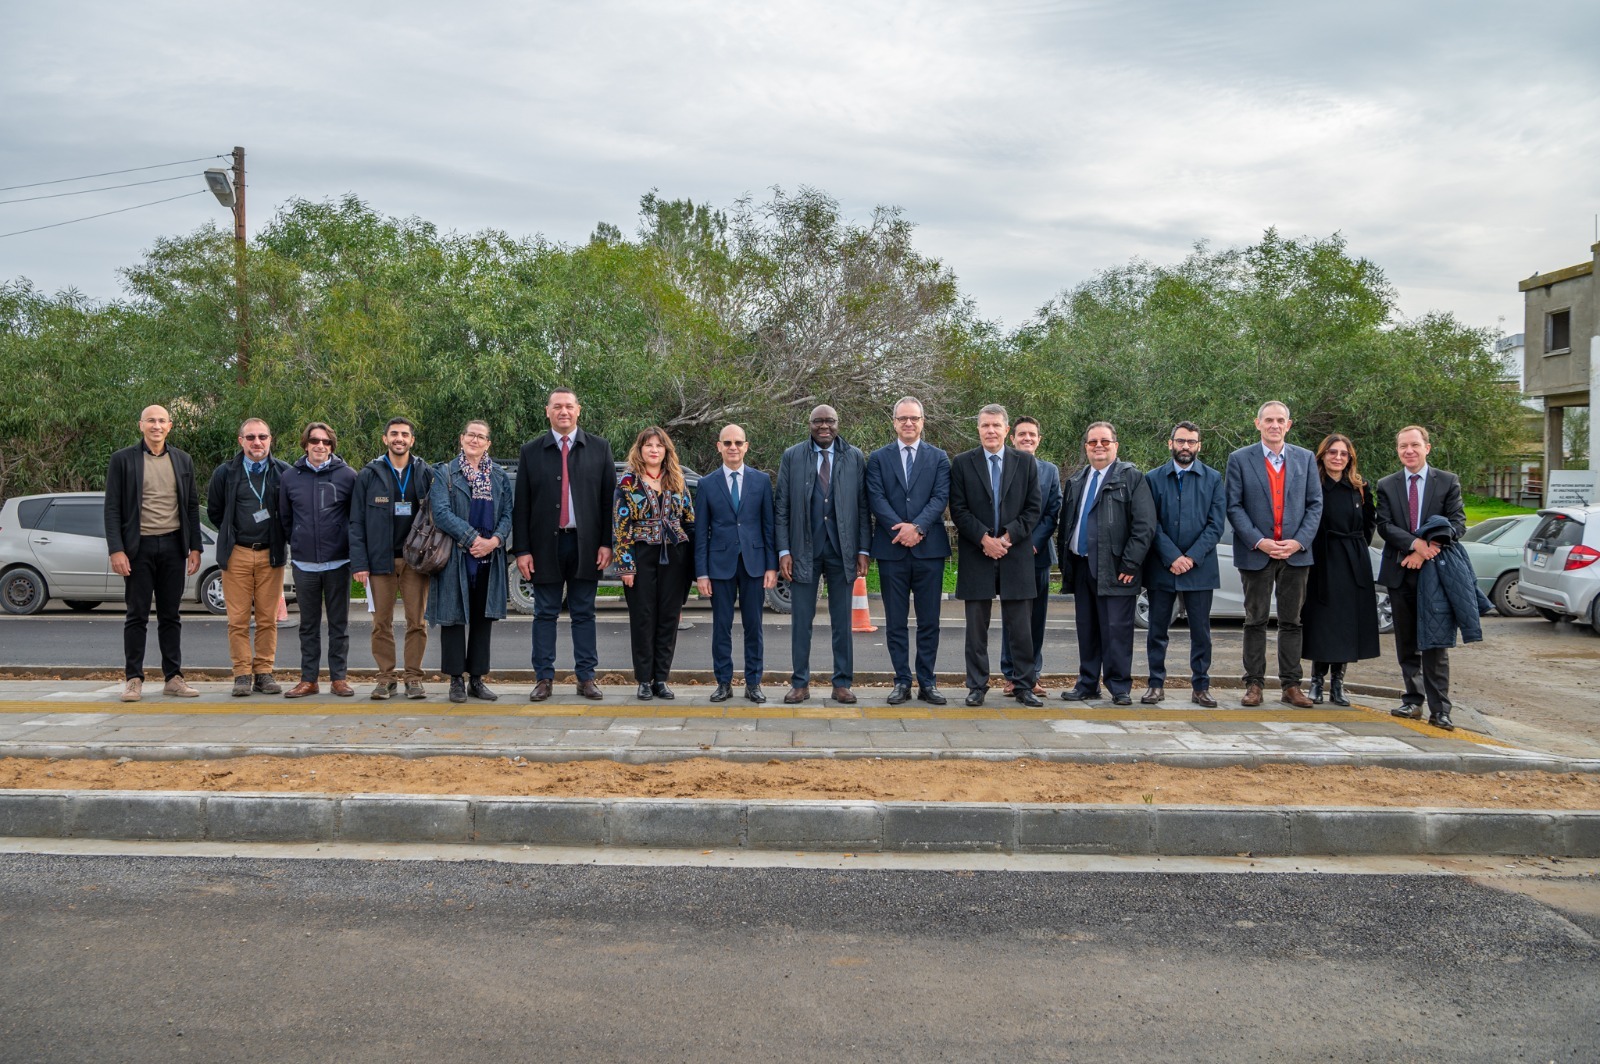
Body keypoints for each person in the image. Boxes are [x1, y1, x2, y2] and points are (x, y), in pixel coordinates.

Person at [514, 388, 617, 702]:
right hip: (545, 546)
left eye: (568, 406)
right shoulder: (531, 451)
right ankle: (543, 678)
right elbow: (522, 506)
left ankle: (586, 678)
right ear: (548, 411)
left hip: (586, 546)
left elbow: (607, 502)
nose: (563, 411)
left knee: (583, 613)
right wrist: (522, 550)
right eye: (557, 406)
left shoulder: (599, 448)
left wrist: (607, 543)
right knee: (544, 613)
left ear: (578, 410)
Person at [1224, 401, 1323, 708]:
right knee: (1255, 620)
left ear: (1288, 425)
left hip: (1295, 555)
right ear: (1258, 424)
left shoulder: (1305, 459)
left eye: (1280, 420)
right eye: (1269, 420)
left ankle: (1291, 686)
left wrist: (1299, 542)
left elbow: (1315, 504)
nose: (1274, 425)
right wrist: (1259, 541)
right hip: (1257, 554)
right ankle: (1254, 684)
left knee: (1292, 622)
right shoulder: (1240, 459)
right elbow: (1234, 505)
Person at [104, 404, 203, 702]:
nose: (156, 426)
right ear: (141, 425)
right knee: (136, 616)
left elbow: (191, 506)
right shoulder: (123, 460)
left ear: (170, 426)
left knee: (171, 615)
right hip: (138, 548)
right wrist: (116, 550)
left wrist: (195, 546)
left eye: (161, 421)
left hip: (174, 546)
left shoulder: (182, 460)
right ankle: (133, 679)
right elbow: (112, 509)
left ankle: (173, 677)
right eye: (151, 421)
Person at [774, 404, 871, 704]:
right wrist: (784, 551)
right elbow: (782, 508)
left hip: (843, 549)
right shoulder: (793, 456)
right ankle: (800, 683)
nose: (824, 426)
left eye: (830, 421)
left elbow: (863, 507)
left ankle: (842, 683)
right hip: (803, 550)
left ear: (838, 423)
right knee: (801, 621)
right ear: (810, 424)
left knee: (842, 621)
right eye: (818, 421)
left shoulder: (854, 456)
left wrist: (863, 549)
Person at [1056, 421, 1155, 706]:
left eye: (1104, 442)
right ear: (1086, 447)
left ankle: (1119, 686)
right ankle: (1087, 683)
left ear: (1116, 446)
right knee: (1087, 629)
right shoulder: (1076, 481)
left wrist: (1130, 564)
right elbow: (1067, 526)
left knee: (1116, 631)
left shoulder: (1131, 477)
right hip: (1082, 565)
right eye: (1092, 442)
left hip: (1116, 568)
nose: (1098, 446)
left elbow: (1144, 526)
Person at [950, 404, 1043, 706]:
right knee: (976, 629)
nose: (990, 431)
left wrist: (1006, 537)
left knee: (1020, 628)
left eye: (996, 425)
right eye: (984, 425)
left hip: (1015, 555)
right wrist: (983, 539)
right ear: (978, 429)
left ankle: (1023, 685)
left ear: (1006, 430)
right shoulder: (963, 463)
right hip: (978, 555)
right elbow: (958, 509)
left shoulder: (1026, 463)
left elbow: (1033, 509)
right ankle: (977, 686)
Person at [1376, 425, 1467, 730]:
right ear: (1398, 450)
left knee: (1435, 643)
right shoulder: (1387, 485)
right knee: (1406, 643)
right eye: (1403, 446)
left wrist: (1428, 549)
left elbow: (1457, 523)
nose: (1409, 451)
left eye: (1415, 445)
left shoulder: (1448, 482)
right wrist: (1414, 545)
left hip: (1435, 573)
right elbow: (1385, 526)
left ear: (1428, 447)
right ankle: (1413, 701)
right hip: (1399, 572)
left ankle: (1440, 709)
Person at [866, 397, 952, 706]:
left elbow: (941, 496)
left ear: (923, 421)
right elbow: (876, 497)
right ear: (894, 422)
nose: (908, 423)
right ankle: (901, 680)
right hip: (892, 550)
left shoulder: (939, 458)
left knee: (929, 621)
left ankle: (927, 682)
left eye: (914, 418)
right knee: (896, 621)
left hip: (929, 550)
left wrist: (916, 528)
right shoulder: (878, 458)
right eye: (903, 418)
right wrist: (900, 529)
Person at [350, 417, 437, 701]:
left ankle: (413, 678)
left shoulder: (425, 473)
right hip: (379, 563)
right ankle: (385, 678)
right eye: (394, 434)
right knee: (381, 623)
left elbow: (437, 517)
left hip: (416, 562)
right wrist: (360, 563)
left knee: (417, 622)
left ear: (412, 440)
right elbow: (356, 522)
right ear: (385, 439)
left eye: (404, 434)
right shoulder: (369, 475)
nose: (399, 438)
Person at [428, 420, 513, 703]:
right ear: (461, 438)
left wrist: (494, 541)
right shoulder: (445, 473)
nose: (475, 440)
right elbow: (440, 512)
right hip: (456, 556)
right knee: (452, 618)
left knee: (481, 618)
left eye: (481, 437)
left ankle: (477, 678)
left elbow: (508, 515)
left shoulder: (499, 476)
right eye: (471, 435)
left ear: (488, 444)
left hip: (489, 557)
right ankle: (455, 680)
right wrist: (472, 538)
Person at [1141, 421, 1225, 707]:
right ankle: (1155, 684)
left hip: (1199, 569)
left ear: (1199, 445)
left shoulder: (1213, 478)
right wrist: (1172, 557)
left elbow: (1216, 526)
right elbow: (1149, 523)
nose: (1185, 446)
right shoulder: (1152, 478)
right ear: (1170, 443)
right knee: (1157, 631)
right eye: (1180, 441)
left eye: (1191, 442)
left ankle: (1201, 687)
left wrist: (1190, 558)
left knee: (1201, 633)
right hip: (1162, 567)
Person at [206, 417, 290, 697]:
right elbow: (216, 512)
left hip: (271, 554)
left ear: (270, 440)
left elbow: (290, 513)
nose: (257, 442)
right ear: (240, 440)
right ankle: (241, 674)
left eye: (262, 437)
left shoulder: (284, 472)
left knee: (267, 619)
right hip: (238, 553)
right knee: (238, 620)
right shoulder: (225, 473)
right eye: (251, 437)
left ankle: (264, 673)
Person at [695, 424, 778, 703]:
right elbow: (701, 532)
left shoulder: (761, 480)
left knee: (754, 626)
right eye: (727, 442)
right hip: (719, 566)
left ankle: (753, 683)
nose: (733, 447)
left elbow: (769, 526)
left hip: (754, 564)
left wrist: (771, 566)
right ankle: (723, 683)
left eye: (738, 443)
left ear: (746, 446)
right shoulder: (707, 484)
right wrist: (702, 573)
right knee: (722, 626)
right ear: (719, 446)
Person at [614, 426, 696, 700]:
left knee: (669, 618)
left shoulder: (677, 479)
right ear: (640, 450)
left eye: (659, 446)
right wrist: (626, 565)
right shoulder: (627, 482)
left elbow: (689, 520)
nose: (653, 450)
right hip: (641, 554)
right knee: (643, 618)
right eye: (648, 445)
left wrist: (694, 565)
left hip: (675, 556)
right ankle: (643, 680)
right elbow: (621, 526)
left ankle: (661, 678)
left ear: (666, 451)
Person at [278, 421, 357, 698]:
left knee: (339, 625)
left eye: (325, 442)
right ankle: (308, 679)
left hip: (338, 563)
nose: (320, 446)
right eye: (314, 441)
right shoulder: (290, 477)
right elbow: (285, 519)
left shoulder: (348, 476)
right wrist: (298, 541)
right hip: (304, 564)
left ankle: (339, 679)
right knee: (307, 626)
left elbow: (354, 519)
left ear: (332, 446)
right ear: (306, 444)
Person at [1303, 433, 1380, 706]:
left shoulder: (1360, 487)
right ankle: (1315, 682)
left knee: (1347, 624)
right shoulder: (1312, 484)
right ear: (1322, 455)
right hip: (1321, 559)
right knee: (1322, 623)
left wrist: (1355, 549)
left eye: (1343, 454)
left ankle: (1338, 684)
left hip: (1352, 561)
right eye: (1332, 452)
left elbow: (1370, 523)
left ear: (1350, 458)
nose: (1337, 457)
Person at [999, 416, 1061, 698]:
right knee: (1012, 618)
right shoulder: (1002, 467)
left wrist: (1034, 542)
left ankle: (1032, 675)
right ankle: (1011, 675)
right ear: (1012, 437)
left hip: (1037, 554)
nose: (1027, 438)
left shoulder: (1050, 471)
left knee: (1036, 618)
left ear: (1039, 439)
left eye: (1032, 434)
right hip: (1009, 553)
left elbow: (1052, 512)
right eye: (1022, 434)